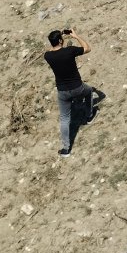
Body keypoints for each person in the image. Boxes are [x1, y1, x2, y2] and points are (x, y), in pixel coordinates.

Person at [43, 29, 95, 157]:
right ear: (61, 40)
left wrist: (57, 40)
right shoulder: (70, 51)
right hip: (78, 87)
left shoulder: (48, 56)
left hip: (62, 92)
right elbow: (87, 48)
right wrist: (76, 36)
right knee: (89, 92)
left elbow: (51, 50)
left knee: (65, 119)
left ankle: (66, 149)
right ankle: (89, 116)